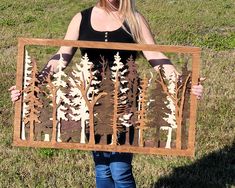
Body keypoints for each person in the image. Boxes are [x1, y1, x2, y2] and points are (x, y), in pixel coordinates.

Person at [9, 0, 203, 187]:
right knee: (103, 169)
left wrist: (183, 82)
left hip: (126, 103)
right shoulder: (81, 19)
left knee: (120, 169)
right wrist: (30, 84)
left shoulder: (134, 19)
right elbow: (61, 56)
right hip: (92, 104)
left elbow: (155, 55)